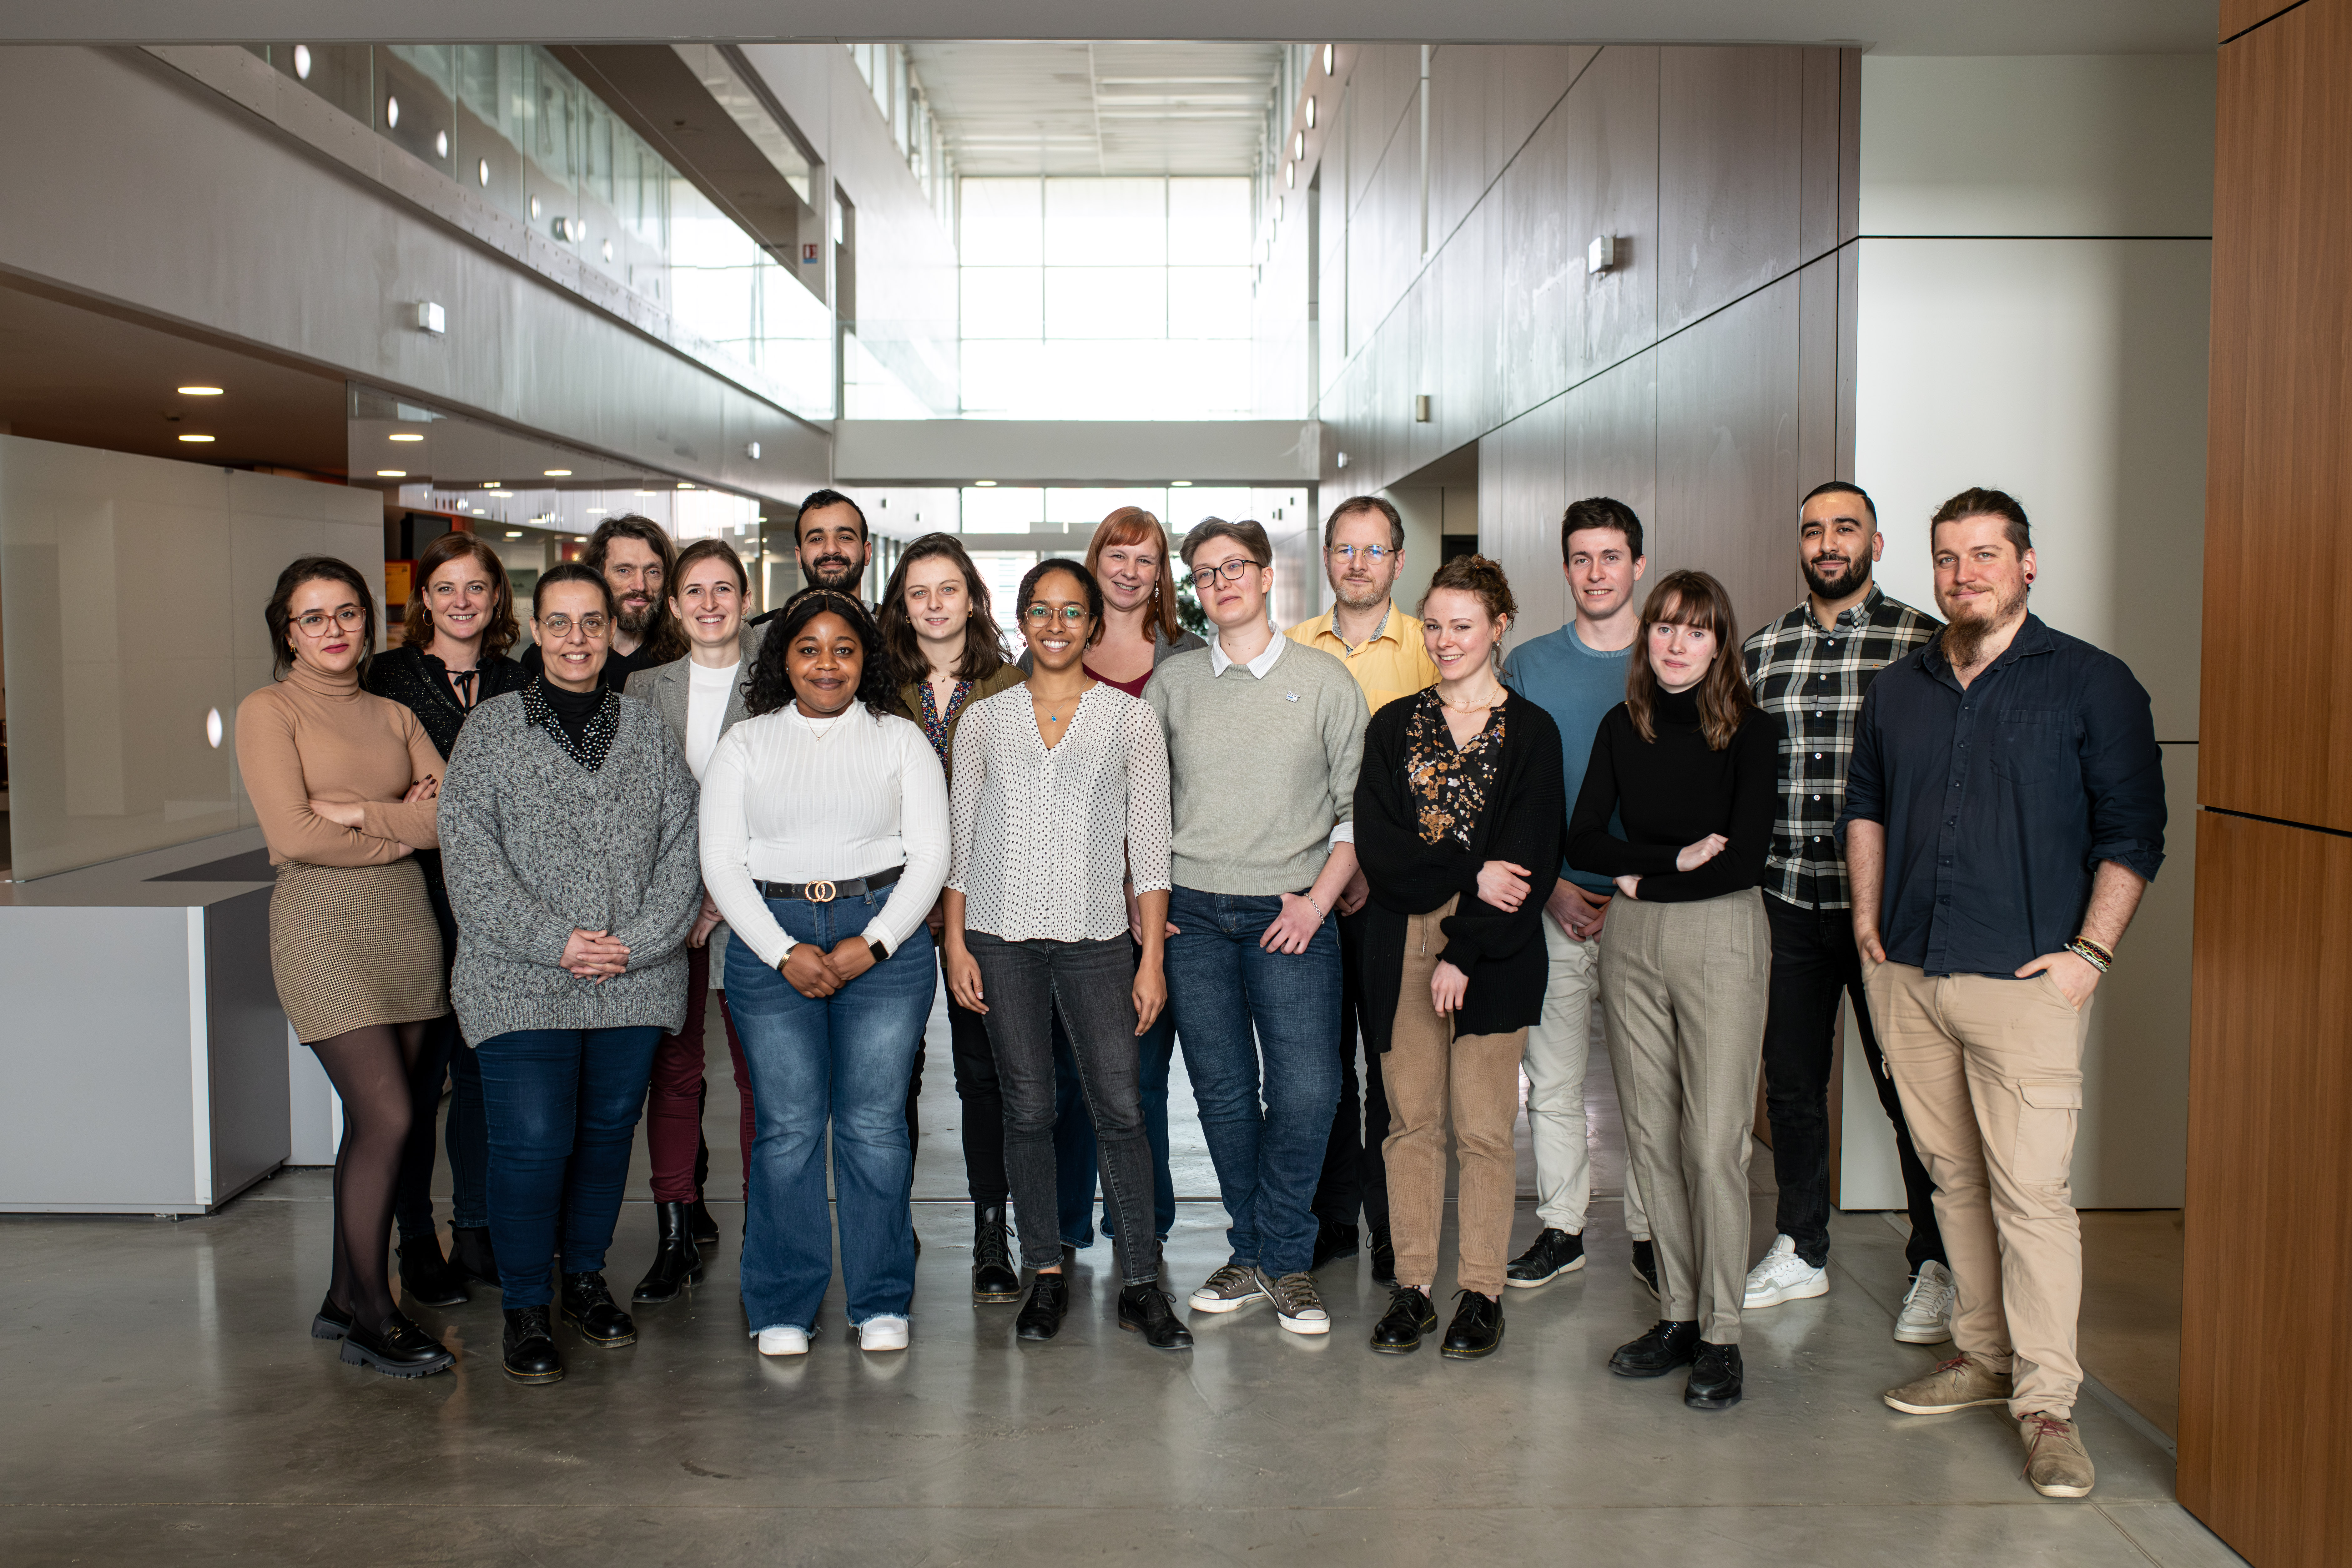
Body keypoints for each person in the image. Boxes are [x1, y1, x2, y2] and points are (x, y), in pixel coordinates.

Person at [1846, 487, 2164, 1500]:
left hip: (2027, 985)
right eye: (1947, 558)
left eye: (1985, 554)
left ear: (2028, 565)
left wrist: (2091, 955)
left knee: (2032, 1199)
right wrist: (1866, 927)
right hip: (1911, 978)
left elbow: (2132, 834)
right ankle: (1983, 1360)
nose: (1963, 573)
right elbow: (1865, 807)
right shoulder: (1897, 688)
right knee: (1954, 1184)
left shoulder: (2091, 684)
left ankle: (2048, 1404)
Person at [437, 562, 703, 1385]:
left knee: (600, 1137)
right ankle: (525, 1302)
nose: (578, 639)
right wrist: (558, 941)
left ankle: (584, 1276)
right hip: (519, 976)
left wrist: (638, 940)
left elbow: (684, 844)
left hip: (630, 973)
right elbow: (468, 852)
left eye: (591, 622)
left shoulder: (648, 728)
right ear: (535, 629)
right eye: (560, 622)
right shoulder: (488, 729)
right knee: (531, 1141)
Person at [941, 558, 1192, 1350]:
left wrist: (1148, 956)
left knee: (1119, 1108)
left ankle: (1141, 1283)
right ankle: (1044, 1273)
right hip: (999, 939)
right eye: (1040, 611)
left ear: (1092, 623)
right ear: (1021, 620)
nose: (1055, 625)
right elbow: (958, 845)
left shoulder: (1129, 720)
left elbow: (1149, 850)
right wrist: (955, 941)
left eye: (1071, 612)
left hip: (1094, 943)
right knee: (1028, 1109)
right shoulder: (984, 720)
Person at [701, 588, 949, 1357]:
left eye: (843, 647)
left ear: (865, 658)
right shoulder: (744, 744)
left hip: (884, 940)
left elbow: (931, 855)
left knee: (875, 1126)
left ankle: (880, 1299)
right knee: (787, 1129)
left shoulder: (899, 738)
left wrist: (870, 943)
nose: (826, 663)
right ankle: (782, 1301)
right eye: (808, 647)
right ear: (783, 659)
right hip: (769, 940)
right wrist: (782, 951)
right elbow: (720, 862)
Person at [1738, 481, 1953, 1340]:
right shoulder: (1762, 649)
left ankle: (1935, 1259)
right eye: (1813, 530)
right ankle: (1800, 1244)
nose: (1828, 543)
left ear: (1875, 540)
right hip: (1786, 899)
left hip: (1889, 914)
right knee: (1790, 1085)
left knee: (1912, 1092)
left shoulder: (1924, 645)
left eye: (1845, 528)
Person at [1146, 517, 1367, 1337]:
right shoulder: (1174, 683)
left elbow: (1355, 814)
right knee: (1225, 1093)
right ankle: (1270, 1255)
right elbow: (1147, 805)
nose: (1221, 581)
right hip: (1196, 915)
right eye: (1205, 573)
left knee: (1311, 1089)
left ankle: (1277, 1252)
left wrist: (1316, 900)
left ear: (1268, 575)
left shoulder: (1323, 680)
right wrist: (1157, 909)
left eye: (1234, 566)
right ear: (1197, 591)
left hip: (1293, 911)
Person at [236, 556, 455, 1378]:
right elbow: (293, 835)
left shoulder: (394, 713)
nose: (333, 630)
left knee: (382, 1123)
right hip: (321, 925)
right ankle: (373, 1312)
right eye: (313, 616)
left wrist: (366, 815)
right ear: (286, 630)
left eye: (347, 612)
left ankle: (340, 1293)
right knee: (391, 1115)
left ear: (369, 619)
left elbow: (450, 816)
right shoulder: (269, 709)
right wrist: (401, 828)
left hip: (404, 924)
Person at [1569, 569, 1781, 1412]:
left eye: (1694, 630)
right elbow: (1583, 835)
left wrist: (1637, 876)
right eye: (1662, 626)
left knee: (1712, 1144)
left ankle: (1723, 1334)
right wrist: (1665, 861)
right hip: (1632, 945)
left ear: (1719, 641)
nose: (1674, 642)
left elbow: (1742, 857)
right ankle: (1677, 1315)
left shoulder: (1753, 733)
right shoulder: (1625, 725)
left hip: (1722, 933)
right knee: (1650, 1140)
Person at [1354, 556, 1563, 1359]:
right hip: (1399, 935)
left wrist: (1464, 948)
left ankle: (1479, 1291)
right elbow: (1381, 850)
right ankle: (1412, 1289)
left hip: (1495, 946)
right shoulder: (1392, 725)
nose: (1443, 641)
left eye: (1462, 625)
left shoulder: (1531, 732)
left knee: (1482, 1128)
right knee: (1410, 1123)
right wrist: (1467, 865)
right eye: (1433, 625)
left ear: (1497, 625)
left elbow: (1528, 862)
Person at [363, 532, 531, 1308]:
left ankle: (475, 1229)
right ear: (422, 599)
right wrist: (401, 804)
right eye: (446, 588)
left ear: (496, 599)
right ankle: (414, 1237)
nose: (462, 601)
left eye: (477, 588)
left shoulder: (521, 674)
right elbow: (374, 775)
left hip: (497, 900)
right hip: (413, 897)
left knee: (479, 1075)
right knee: (416, 1077)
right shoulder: (388, 676)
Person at [1500, 498, 1659, 1296]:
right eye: (1580, 558)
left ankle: (1650, 1232)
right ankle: (1561, 1229)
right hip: (1550, 904)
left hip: (1649, 911)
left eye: (1610, 556)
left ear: (1637, 564)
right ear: (1564, 568)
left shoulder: (1669, 658)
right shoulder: (1526, 665)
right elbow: (1507, 792)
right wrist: (1554, 885)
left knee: (1645, 1082)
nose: (1595, 573)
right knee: (1553, 1081)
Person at [1284, 495, 1441, 1282]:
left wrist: (1370, 869)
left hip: (1394, 892)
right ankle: (1332, 1217)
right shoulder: (1289, 649)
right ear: (1326, 558)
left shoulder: (1427, 647)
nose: (1356, 563)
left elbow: (1435, 781)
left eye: (1372, 551)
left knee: (1392, 1062)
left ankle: (1392, 1224)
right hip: (1309, 887)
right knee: (1319, 1064)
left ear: (1397, 562)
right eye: (1343, 549)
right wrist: (1324, 875)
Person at [1043, 507, 1201, 1262]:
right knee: (1070, 1078)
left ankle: (1145, 1228)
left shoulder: (1191, 657)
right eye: (1117, 554)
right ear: (1096, 560)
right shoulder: (1057, 647)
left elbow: (1197, 787)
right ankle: (1065, 1225)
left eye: (1146, 558)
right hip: (1064, 893)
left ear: (1160, 571)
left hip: (1153, 904)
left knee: (1140, 1080)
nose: (1130, 570)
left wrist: (1154, 892)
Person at [622, 538, 769, 1305]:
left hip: (754, 904)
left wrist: (724, 894)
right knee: (675, 1073)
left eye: (724, 589)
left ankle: (764, 1237)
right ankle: (676, 1231)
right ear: (673, 606)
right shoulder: (642, 689)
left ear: (745, 600)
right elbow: (631, 811)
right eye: (694, 591)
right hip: (669, 911)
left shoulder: (777, 681)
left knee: (758, 1074)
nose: (709, 603)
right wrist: (686, 900)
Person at [878, 533, 1024, 1303]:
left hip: (987, 899)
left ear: (971, 597)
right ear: (902, 607)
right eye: (918, 593)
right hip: (894, 904)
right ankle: (886, 1223)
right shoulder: (877, 686)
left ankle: (990, 1230)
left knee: (983, 1073)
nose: (934, 604)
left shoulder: (1011, 685)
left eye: (947, 589)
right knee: (891, 1072)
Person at [519, 514, 687, 692]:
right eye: (624, 571)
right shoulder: (549, 657)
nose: (640, 586)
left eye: (653, 572)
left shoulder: (683, 657)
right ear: (598, 575)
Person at [748, 489, 873, 622]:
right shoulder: (761, 633)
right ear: (799, 556)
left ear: (867, 553)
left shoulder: (893, 626)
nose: (831, 550)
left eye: (845, 537)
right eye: (817, 539)